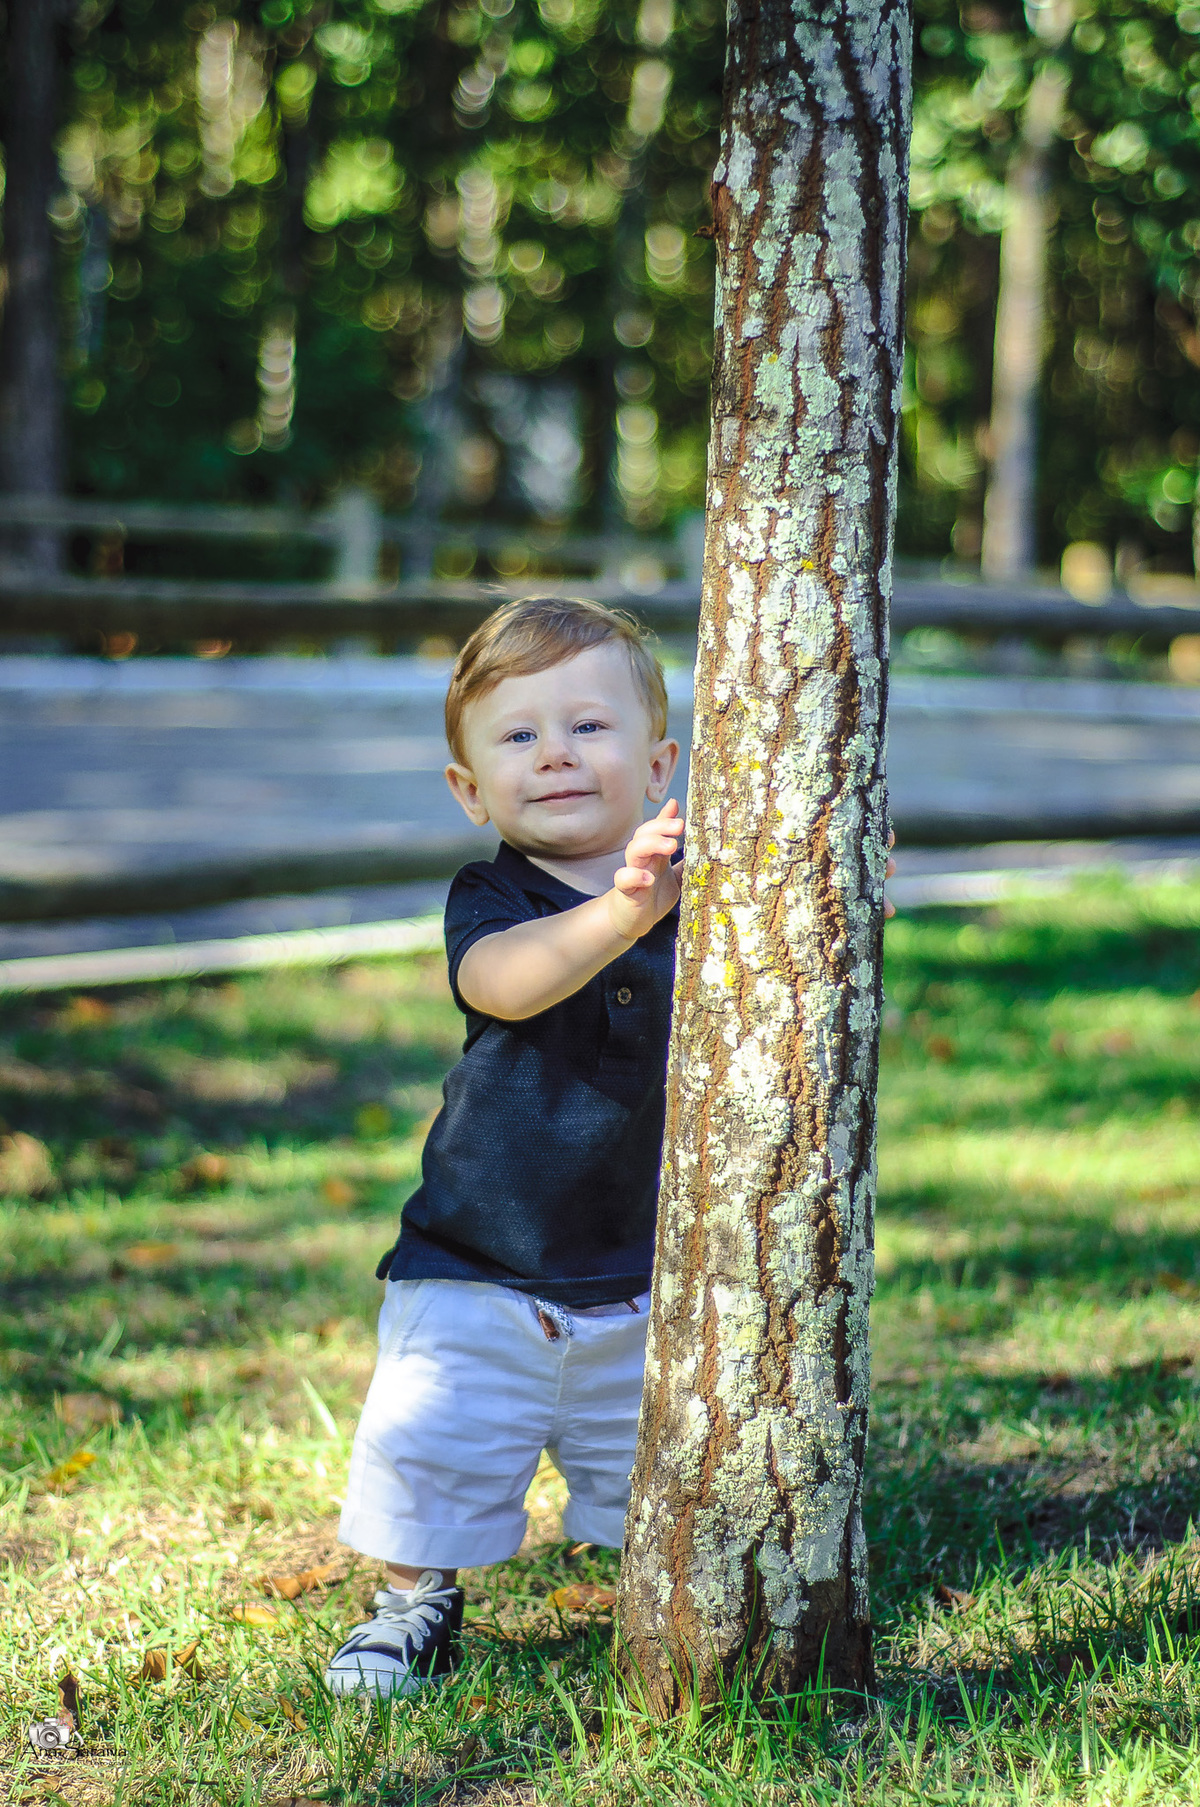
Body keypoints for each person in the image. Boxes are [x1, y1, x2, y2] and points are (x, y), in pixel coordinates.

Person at [324, 595, 685, 1697]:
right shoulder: (493, 894)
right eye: (519, 734)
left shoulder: (704, 888)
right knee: (434, 1448)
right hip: (479, 1259)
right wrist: (622, 914)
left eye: (588, 725)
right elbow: (503, 983)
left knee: (662, 1469)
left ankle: (682, 1601)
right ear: (470, 789)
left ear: (658, 764)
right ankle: (413, 1602)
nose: (556, 753)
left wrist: (845, 880)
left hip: (651, 1266)